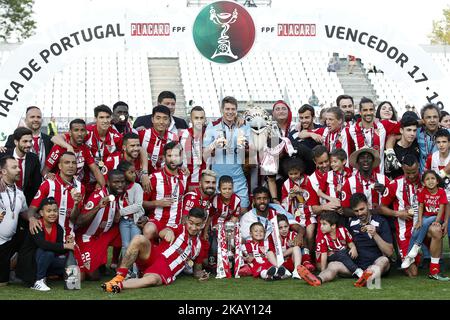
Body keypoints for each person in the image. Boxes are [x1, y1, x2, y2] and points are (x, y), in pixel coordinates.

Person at [101, 207, 210, 293]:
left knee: (152, 280)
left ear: (203, 224)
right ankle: (119, 277)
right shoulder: (179, 228)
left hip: (165, 270)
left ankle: (116, 286)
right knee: (139, 239)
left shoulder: (200, 246)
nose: (193, 227)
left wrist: (202, 275)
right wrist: (168, 232)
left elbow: (197, 270)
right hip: (154, 255)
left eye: (198, 225)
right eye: (191, 223)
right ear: (187, 220)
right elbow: (163, 232)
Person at [299, 194, 393, 287]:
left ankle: (367, 277)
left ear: (368, 205)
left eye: (362, 209)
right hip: (355, 266)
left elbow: (389, 252)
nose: (359, 213)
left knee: (384, 260)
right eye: (356, 211)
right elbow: (344, 240)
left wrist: (375, 234)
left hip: (374, 262)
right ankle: (318, 279)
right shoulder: (351, 222)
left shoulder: (381, 222)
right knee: (333, 265)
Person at [74, 170, 126, 280]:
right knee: (93, 275)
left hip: (103, 235)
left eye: (122, 182)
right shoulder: (97, 196)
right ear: (108, 183)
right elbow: (79, 221)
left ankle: (120, 267)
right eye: (116, 182)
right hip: (87, 237)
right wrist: (98, 207)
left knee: (129, 233)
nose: (120, 185)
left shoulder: (118, 196)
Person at [16, 197, 75, 291]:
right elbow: (43, 244)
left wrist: (68, 243)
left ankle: (53, 277)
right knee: (47, 252)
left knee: (64, 262)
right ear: (41, 213)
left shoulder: (59, 228)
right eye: (49, 211)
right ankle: (38, 281)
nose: (52, 213)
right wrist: (64, 246)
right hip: (29, 263)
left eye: (55, 211)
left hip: (43, 260)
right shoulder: (36, 225)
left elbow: (58, 250)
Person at [203, 96, 250, 211]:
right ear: (221, 109)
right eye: (227, 109)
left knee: (243, 211)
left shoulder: (243, 125)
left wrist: (246, 146)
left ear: (236, 110)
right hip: (217, 177)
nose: (230, 112)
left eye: (233, 109)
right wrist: (214, 145)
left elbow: (252, 150)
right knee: (218, 213)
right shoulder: (212, 125)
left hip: (238, 177)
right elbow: (204, 154)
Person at [400, 170, 449, 280]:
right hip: (426, 218)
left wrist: (438, 220)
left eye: (433, 178)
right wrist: (420, 221)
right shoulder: (423, 192)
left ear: (437, 181)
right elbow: (421, 207)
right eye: (427, 179)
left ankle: (417, 246)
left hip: (437, 218)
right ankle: (409, 256)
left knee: (430, 224)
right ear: (423, 183)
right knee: (416, 231)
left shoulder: (441, 191)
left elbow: (442, 208)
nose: (430, 181)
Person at [380, 155, 422, 277]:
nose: (411, 175)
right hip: (405, 231)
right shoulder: (395, 184)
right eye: (408, 172)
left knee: (436, 232)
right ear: (403, 168)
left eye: (414, 172)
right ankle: (409, 257)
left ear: (418, 166)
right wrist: (398, 213)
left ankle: (436, 263)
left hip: (423, 228)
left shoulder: (426, 180)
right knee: (412, 273)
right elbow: (381, 208)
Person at [28, 152, 85, 240]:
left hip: (69, 237)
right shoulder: (48, 184)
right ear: (59, 166)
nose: (71, 166)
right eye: (67, 162)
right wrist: (31, 219)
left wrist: (76, 204)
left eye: (74, 163)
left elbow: (74, 219)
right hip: (47, 237)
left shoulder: (80, 187)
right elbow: (32, 208)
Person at [142, 142, 187, 241]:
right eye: (169, 156)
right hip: (157, 222)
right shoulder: (154, 178)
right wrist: (157, 203)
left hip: (176, 225)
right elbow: (141, 203)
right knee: (148, 230)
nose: (173, 159)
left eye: (176, 155)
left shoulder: (185, 176)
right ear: (164, 157)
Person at [42, 119, 105, 189]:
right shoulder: (59, 148)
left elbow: (95, 170)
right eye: (76, 130)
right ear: (70, 133)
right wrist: (47, 176)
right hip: (59, 187)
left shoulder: (85, 149)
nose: (80, 134)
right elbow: (45, 171)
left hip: (76, 188)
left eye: (82, 130)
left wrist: (105, 190)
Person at [280, 157, 318, 264]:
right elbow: (283, 204)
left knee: (310, 233)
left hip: (309, 214)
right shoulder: (286, 184)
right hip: (294, 216)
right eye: (290, 174)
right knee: (300, 234)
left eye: (295, 173)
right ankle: (303, 259)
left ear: (300, 171)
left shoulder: (308, 179)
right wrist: (289, 197)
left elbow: (314, 197)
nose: (293, 176)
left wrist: (302, 191)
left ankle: (310, 257)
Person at [349, 97, 400, 173]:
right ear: (360, 112)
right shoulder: (352, 129)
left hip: (379, 176)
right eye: (365, 110)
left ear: (375, 111)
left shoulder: (382, 126)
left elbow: (405, 127)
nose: (368, 113)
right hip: (359, 176)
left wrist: (394, 138)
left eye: (371, 109)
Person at [311, 212, 366, 281]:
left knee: (350, 253)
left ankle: (360, 270)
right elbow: (324, 255)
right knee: (340, 253)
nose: (321, 226)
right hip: (332, 257)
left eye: (324, 224)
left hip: (344, 255)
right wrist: (323, 271)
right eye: (321, 224)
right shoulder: (322, 237)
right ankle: (358, 272)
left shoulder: (343, 230)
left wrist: (353, 248)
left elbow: (350, 243)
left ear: (333, 226)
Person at [0, 156, 28, 287]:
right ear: (4, 171)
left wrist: (35, 218)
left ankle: (13, 270)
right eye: (14, 167)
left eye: (18, 166)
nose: (19, 169)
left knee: (3, 283)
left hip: (7, 243)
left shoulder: (20, 193)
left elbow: (24, 212)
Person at [204, 175, 240, 267]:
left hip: (228, 225)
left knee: (232, 240)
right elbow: (210, 217)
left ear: (233, 188)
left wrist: (229, 228)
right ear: (219, 189)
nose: (227, 191)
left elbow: (235, 217)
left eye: (229, 188)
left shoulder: (237, 200)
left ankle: (231, 261)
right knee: (214, 243)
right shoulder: (215, 200)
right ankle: (213, 262)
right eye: (224, 189)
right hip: (215, 226)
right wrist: (206, 231)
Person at [116, 160, 144, 278]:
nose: (134, 175)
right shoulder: (118, 187)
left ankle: (136, 271)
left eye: (134, 172)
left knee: (135, 245)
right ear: (123, 173)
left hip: (135, 221)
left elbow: (138, 205)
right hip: (124, 221)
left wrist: (120, 212)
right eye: (131, 172)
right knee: (125, 245)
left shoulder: (137, 187)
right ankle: (125, 271)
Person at [5, 106, 53, 171]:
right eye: (32, 117)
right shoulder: (13, 138)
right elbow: (6, 159)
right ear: (25, 120)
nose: (36, 119)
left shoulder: (49, 140)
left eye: (38, 117)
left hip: (44, 179)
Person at [341, 147, 389, 212]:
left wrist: (384, 191)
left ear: (373, 161)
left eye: (369, 157)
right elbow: (345, 210)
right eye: (362, 158)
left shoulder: (383, 179)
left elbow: (393, 203)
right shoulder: (350, 182)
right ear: (357, 162)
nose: (365, 160)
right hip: (357, 220)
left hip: (380, 219)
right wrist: (364, 213)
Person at [3, 127, 41, 205]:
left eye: (30, 141)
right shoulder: (3, 155)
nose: (29, 145)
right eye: (25, 141)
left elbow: (36, 185)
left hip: (24, 203)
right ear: (16, 142)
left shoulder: (34, 158)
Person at [138, 105, 178, 174]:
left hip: (164, 179)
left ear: (169, 121)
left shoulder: (174, 137)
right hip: (144, 177)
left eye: (165, 119)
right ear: (152, 119)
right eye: (158, 118)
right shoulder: (141, 134)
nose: (161, 122)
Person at [179, 106, 207, 190]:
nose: (199, 120)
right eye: (196, 118)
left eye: (201, 118)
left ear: (205, 119)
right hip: (187, 180)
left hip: (207, 182)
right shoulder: (183, 134)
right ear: (191, 119)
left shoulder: (210, 133)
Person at [416, 103, 449, 173]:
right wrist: (417, 122)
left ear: (439, 118)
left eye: (435, 117)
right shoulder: (417, 132)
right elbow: (401, 126)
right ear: (423, 120)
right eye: (428, 117)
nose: (432, 120)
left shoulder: (447, 132)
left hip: (443, 176)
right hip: (423, 177)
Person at [277, 214, 302, 279]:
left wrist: (293, 245)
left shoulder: (293, 234)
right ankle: (283, 273)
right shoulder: (274, 238)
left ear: (289, 226)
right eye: (280, 228)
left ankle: (296, 271)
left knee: (296, 248)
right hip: (279, 263)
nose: (284, 229)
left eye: (286, 226)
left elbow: (299, 247)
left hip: (291, 261)